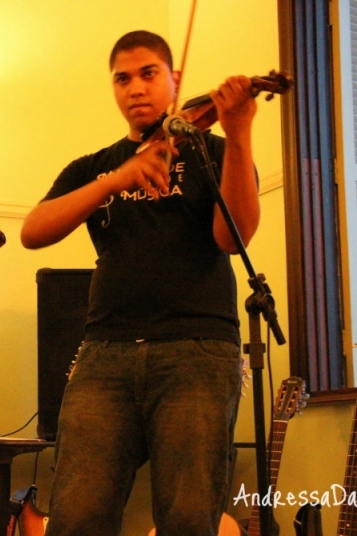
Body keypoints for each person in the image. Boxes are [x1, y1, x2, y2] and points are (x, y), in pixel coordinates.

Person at [20, 30, 260, 536]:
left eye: (149, 74)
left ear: (174, 79)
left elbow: (232, 237)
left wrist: (238, 134)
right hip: (104, 354)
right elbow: (32, 231)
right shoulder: (95, 167)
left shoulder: (212, 152)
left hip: (197, 352)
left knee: (189, 518)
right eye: (122, 79)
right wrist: (117, 178)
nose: (135, 88)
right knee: (76, 515)